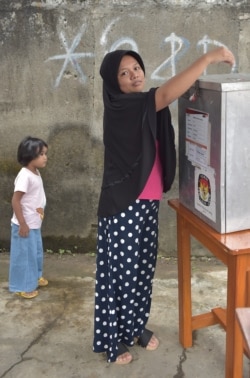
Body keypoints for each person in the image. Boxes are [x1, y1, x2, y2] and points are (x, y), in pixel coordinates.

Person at [93, 47, 235, 364]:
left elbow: (163, 103)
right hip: (123, 207)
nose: (134, 75)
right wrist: (208, 58)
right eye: (124, 73)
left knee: (143, 272)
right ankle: (112, 340)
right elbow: (168, 92)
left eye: (136, 68)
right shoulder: (123, 106)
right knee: (119, 277)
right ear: (113, 82)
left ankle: (134, 327)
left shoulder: (143, 107)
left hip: (147, 204)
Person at [9, 136, 49, 299]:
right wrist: (23, 224)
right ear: (29, 156)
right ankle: (22, 286)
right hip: (23, 226)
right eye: (41, 154)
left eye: (45, 153)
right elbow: (15, 200)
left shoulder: (35, 172)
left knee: (35, 252)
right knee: (24, 256)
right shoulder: (25, 175)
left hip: (34, 223)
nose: (45, 157)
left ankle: (34, 277)